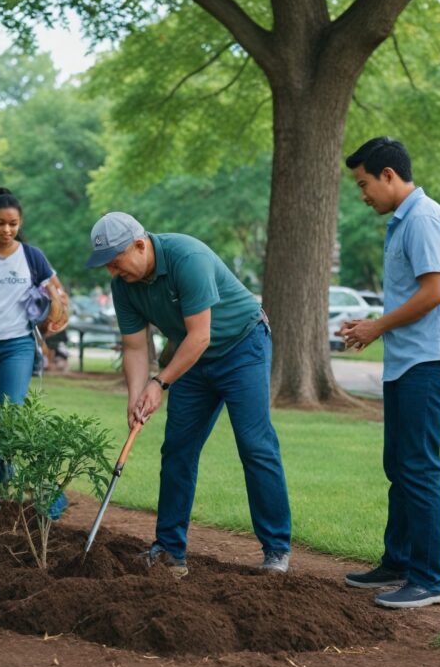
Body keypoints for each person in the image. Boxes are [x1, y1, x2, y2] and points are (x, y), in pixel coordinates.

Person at [84, 212, 292, 578]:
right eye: (107, 267)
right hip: (190, 359)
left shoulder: (187, 258)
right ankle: (169, 550)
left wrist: (160, 382)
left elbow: (201, 335)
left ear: (140, 245)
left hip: (242, 346)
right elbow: (134, 347)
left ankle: (276, 549)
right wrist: (136, 397)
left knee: (255, 445)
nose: (113, 273)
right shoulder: (124, 285)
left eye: (116, 262)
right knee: (178, 448)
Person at [339, 137, 440, 609]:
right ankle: (397, 562)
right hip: (408, 360)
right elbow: (411, 296)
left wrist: (377, 326)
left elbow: (435, 292)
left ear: (389, 175)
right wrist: (370, 324)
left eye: (364, 184)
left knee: (418, 467)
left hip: (431, 359)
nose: (363, 195)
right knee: (399, 466)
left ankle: (428, 580)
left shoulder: (421, 218)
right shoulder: (402, 224)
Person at [0, 187, 68, 513]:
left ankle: (11, 481)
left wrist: (51, 317)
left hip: (19, 345)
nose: (7, 230)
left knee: (11, 420)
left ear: (20, 223)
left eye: (13, 224)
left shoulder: (32, 256)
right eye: (1, 223)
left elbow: (57, 295)